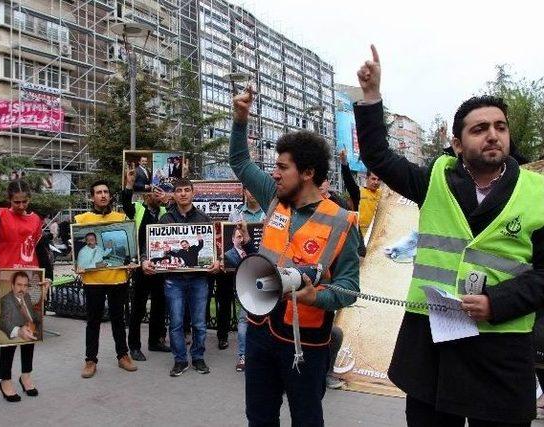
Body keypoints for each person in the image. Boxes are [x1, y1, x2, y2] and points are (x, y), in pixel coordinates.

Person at [355, 45, 544, 426]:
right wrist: (372, 97)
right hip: (431, 344)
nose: (493, 135)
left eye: (500, 127)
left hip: (500, 350)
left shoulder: (538, 194)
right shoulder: (434, 179)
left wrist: (496, 302)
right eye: (480, 129)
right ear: (458, 144)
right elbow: (378, 157)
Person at [230, 88, 360, 426]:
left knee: (306, 420)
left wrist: (316, 295)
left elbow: (349, 287)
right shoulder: (274, 197)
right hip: (259, 331)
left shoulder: (342, 221)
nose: (274, 174)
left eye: (282, 167)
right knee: (258, 418)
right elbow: (240, 162)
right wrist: (239, 121)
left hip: (306, 342)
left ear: (307, 172)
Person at [0, 177, 53, 402]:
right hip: (7, 280)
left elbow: (41, 249)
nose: (21, 206)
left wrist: (48, 276)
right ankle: (5, 379)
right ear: (9, 200)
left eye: (24, 202)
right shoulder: (0, 215)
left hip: (31, 280)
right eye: (16, 202)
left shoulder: (35, 219)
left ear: (29, 199)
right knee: (9, 333)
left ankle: (26, 375)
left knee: (30, 331)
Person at [142, 178, 220, 377]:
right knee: (176, 322)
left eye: (187, 190)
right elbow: (151, 247)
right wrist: (145, 260)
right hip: (173, 280)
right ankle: (180, 360)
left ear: (193, 193)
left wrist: (217, 261)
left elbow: (213, 248)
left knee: (199, 323)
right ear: (174, 194)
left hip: (199, 279)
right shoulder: (165, 219)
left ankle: (198, 357)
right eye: (179, 190)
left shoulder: (203, 219)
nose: (183, 194)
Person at [76, 180, 138, 378]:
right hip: (93, 280)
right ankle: (90, 360)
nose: (102, 195)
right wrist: (77, 264)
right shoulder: (81, 219)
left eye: (105, 192)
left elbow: (129, 247)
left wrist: (131, 262)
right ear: (91, 197)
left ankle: (123, 355)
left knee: (118, 319)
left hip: (117, 278)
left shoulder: (121, 218)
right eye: (98, 192)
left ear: (110, 196)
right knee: (92, 321)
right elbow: (78, 251)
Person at [121, 167, 171, 362]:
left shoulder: (166, 211)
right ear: (145, 195)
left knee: (159, 305)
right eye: (152, 192)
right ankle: (134, 346)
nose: (156, 195)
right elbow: (125, 201)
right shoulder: (138, 209)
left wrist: (168, 199)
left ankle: (155, 341)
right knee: (138, 308)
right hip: (142, 266)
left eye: (158, 192)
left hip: (161, 266)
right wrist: (129, 184)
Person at [226, 188, 266, 371]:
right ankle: (243, 356)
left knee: (266, 317)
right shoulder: (236, 213)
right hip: (243, 272)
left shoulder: (269, 213)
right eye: (248, 189)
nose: (252, 193)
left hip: (265, 270)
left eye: (254, 189)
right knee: (244, 317)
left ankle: (263, 356)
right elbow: (228, 240)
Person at [339, 149, 382, 237]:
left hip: (377, 236)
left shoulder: (384, 194)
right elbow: (348, 180)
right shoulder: (358, 192)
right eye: (373, 179)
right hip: (360, 236)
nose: (376, 182)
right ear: (367, 178)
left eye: (378, 180)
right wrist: (344, 163)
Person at [0, 271, 42, 342]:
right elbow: (3, 322)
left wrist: (40, 316)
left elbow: (32, 314)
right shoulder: (6, 300)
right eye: (19, 285)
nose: (22, 289)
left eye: (25, 285)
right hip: (24, 330)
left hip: (34, 328)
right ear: (12, 286)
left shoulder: (27, 296)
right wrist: (19, 331)